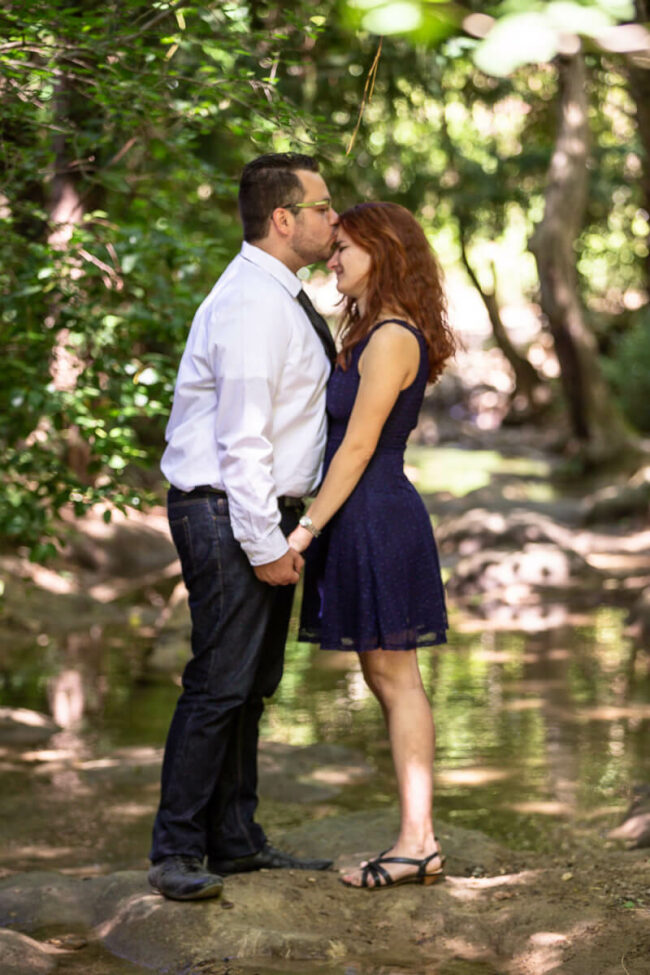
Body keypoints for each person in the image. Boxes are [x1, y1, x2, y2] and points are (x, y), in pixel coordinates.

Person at [148, 153, 338, 901]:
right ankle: (176, 851)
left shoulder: (274, 293)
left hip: (253, 509)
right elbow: (243, 438)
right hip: (228, 508)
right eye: (322, 206)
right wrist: (265, 544)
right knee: (219, 683)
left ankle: (234, 839)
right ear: (282, 218)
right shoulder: (254, 305)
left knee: (249, 684)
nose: (334, 217)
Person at [287, 201, 456, 890]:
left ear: (382, 252)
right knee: (385, 677)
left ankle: (419, 841)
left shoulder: (391, 336)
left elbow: (357, 446)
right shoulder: (368, 329)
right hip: (360, 514)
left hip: (376, 512)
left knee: (397, 677)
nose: (333, 259)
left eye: (345, 249)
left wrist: (305, 527)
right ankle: (419, 838)